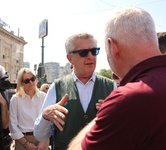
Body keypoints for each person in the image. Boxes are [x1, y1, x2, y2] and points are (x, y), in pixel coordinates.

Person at [68, 7, 166, 150]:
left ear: (113, 47)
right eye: (83, 52)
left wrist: (105, 113)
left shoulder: (128, 98)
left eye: (96, 51)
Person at [34, 32, 116, 150]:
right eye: (83, 52)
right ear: (69, 58)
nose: (90, 56)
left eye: (94, 51)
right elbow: (40, 135)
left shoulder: (110, 87)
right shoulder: (57, 87)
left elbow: (127, 131)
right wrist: (45, 116)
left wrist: (114, 118)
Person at [9, 68, 49, 150]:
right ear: (21, 83)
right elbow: (13, 125)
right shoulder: (15, 99)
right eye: (27, 81)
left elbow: (49, 121)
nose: (31, 82)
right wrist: (26, 144)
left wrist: (42, 143)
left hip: (42, 139)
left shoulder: (44, 97)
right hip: (22, 141)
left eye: (32, 79)